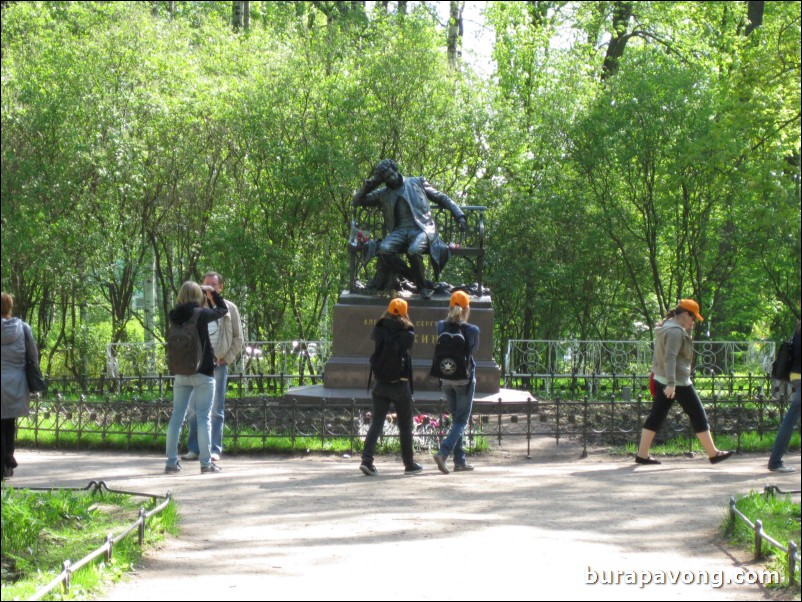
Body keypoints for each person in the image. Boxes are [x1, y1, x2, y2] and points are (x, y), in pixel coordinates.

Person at [635, 299, 734, 466]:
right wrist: (672, 384)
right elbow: (670, 356)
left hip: (662, 378)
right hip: (677, 382)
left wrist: (688, 331)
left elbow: (680, 351)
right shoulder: (675, 332)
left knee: (656, 417)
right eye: (693, 317)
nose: (693, 321)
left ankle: (642, 455)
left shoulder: (668, 326)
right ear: (685, 314)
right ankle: (713, 453)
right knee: (698, 415)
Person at [352, 159, 467, 299]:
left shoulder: (417, 182)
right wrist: (370, 185)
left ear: (396, 170)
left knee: (413, 250)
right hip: (399, 232)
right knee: (384, 249)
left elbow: (441, 197)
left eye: (391, 174)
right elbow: (356, 201)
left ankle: (423, 287)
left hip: (422, 229)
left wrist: (459, 214)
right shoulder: (383, 193)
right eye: (386, 178)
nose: (391, 178)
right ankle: (419, 281)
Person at [165, 281, 228, 474]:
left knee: (176, 417)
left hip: (181, 372)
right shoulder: (201, 314)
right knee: (203, 418)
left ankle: (171, 462)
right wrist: (212, 294)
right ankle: (206, 464)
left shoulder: (173, 316)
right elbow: (223, 310)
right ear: (198, 295)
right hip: (203, 371)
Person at [183, 271, 243, 462]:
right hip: (197, 365)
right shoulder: (196, 307)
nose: (209, 288)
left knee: (216, 408)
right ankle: (194, 449)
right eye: (206, 284)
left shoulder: (229, 308)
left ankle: (214, 448)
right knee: (193, 408)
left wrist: (227, 358)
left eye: (213, 285)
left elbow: (238, 337)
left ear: (220, 287)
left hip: (218, 364)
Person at [360, 298, 423, 476]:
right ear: (404, 312)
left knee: (377, 422)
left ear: (388, 310)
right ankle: (409, 464)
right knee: (405, 425)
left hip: (380, 383)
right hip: (400, 384)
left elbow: (376, 339)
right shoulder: (408, 333)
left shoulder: (379, 329)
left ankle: (367, 460)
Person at [431, 291, 481, 474]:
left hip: (445, 377)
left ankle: (459, 461)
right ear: (467, 308)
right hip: (464, 380)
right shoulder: (473, 330)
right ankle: (443, 453)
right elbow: (473, 350)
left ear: (450, 307)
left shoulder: (441, 326)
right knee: (461, 420)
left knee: (456, 420)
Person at [1, 292, 39, 480]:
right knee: (9, 421)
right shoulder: (23, 328)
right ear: (9, 307)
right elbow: (32, 356)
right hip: (16, 382)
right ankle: (8, 456)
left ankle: (5, 461)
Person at [767, 321, 801, 473]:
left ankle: (775, 460)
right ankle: (775, 461)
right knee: (791, 417)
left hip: (795, 375)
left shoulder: (798, 327)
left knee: (791, 417)